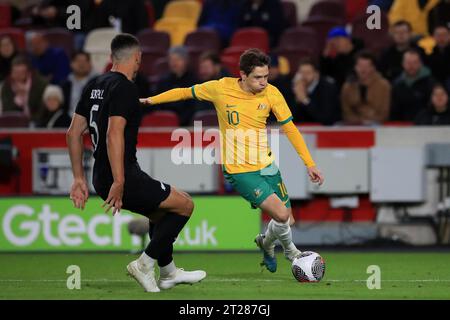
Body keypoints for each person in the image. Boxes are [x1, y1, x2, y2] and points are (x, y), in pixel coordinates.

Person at [140, 48, 324, 273]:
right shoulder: (220, 88)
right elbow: (184, 92)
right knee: (282, 215)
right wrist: (151, 100)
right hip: (239, 170)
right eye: (258, 77)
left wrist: (309, 163)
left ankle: (266, 243)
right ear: (243, 75)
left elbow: (291, 130)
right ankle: (291, 251)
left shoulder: (272, 93)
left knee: (287, 220)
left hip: (266, 165)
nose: (263, 82)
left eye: (266, 76)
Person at [66, 34, 206, 293]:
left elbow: (73, 133)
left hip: (99, 176)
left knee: (160, 213)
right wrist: (120, 181)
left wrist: (78, 179)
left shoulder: (94, 84)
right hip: (123, 175)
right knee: (185, 205)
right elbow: (113, 133)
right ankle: (144, 264)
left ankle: (168, 273)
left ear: (111, 58)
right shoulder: (126, 87)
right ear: (137, 58)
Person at [341, 51, 391, 124]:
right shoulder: (347, 86)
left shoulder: (384, 86)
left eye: (366, 66)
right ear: (355, 67)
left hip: (378, 126)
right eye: (360, 66)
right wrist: (358, 121)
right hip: (353, 125)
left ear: (373, 68)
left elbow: (384, 113)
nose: (363, 70)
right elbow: (346, 112)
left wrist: (368, 120)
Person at [153, 46, 198, 125]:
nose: (174, 63)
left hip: (187, 126)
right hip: (165, 124)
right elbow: (157, 105)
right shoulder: (163, 82)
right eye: (171, 60)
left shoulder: (194, 81)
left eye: (178, 59)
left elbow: (194, 107)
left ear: (186, 61)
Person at [0, 54, 48, 125]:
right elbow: (6, 110)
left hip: (37, 123)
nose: (18, 75)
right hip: (13, 124)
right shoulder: (6, 85)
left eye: (21, 72)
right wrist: (18, 98)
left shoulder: (41, 84)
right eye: (15, 72)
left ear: (28, 72)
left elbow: (42, 110)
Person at [292, 58, 340, 125]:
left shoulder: (327, 88)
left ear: (316, 74)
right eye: (301, 73)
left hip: (329, 129)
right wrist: (297, 99)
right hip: (305, 130)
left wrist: (305, 100)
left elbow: (325, 118)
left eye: (308, 73)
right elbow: (293, 119)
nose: (304, 76)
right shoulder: (297, 87)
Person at [391, 48, 435, 121]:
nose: (411, 66)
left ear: (420, 64)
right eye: (408, 63)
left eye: (414, 62)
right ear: (402, 64)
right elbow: (394, 111)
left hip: (426, 127)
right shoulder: (396, 84)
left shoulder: (431, 83)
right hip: (402, 128)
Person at [61, 51, 98, 117]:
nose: (81, 64)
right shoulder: (66, 83)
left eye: (85, 61)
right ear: (71, 63)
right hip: (68, 122)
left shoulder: (97, 83)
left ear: (90, 64)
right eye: (78, 61)